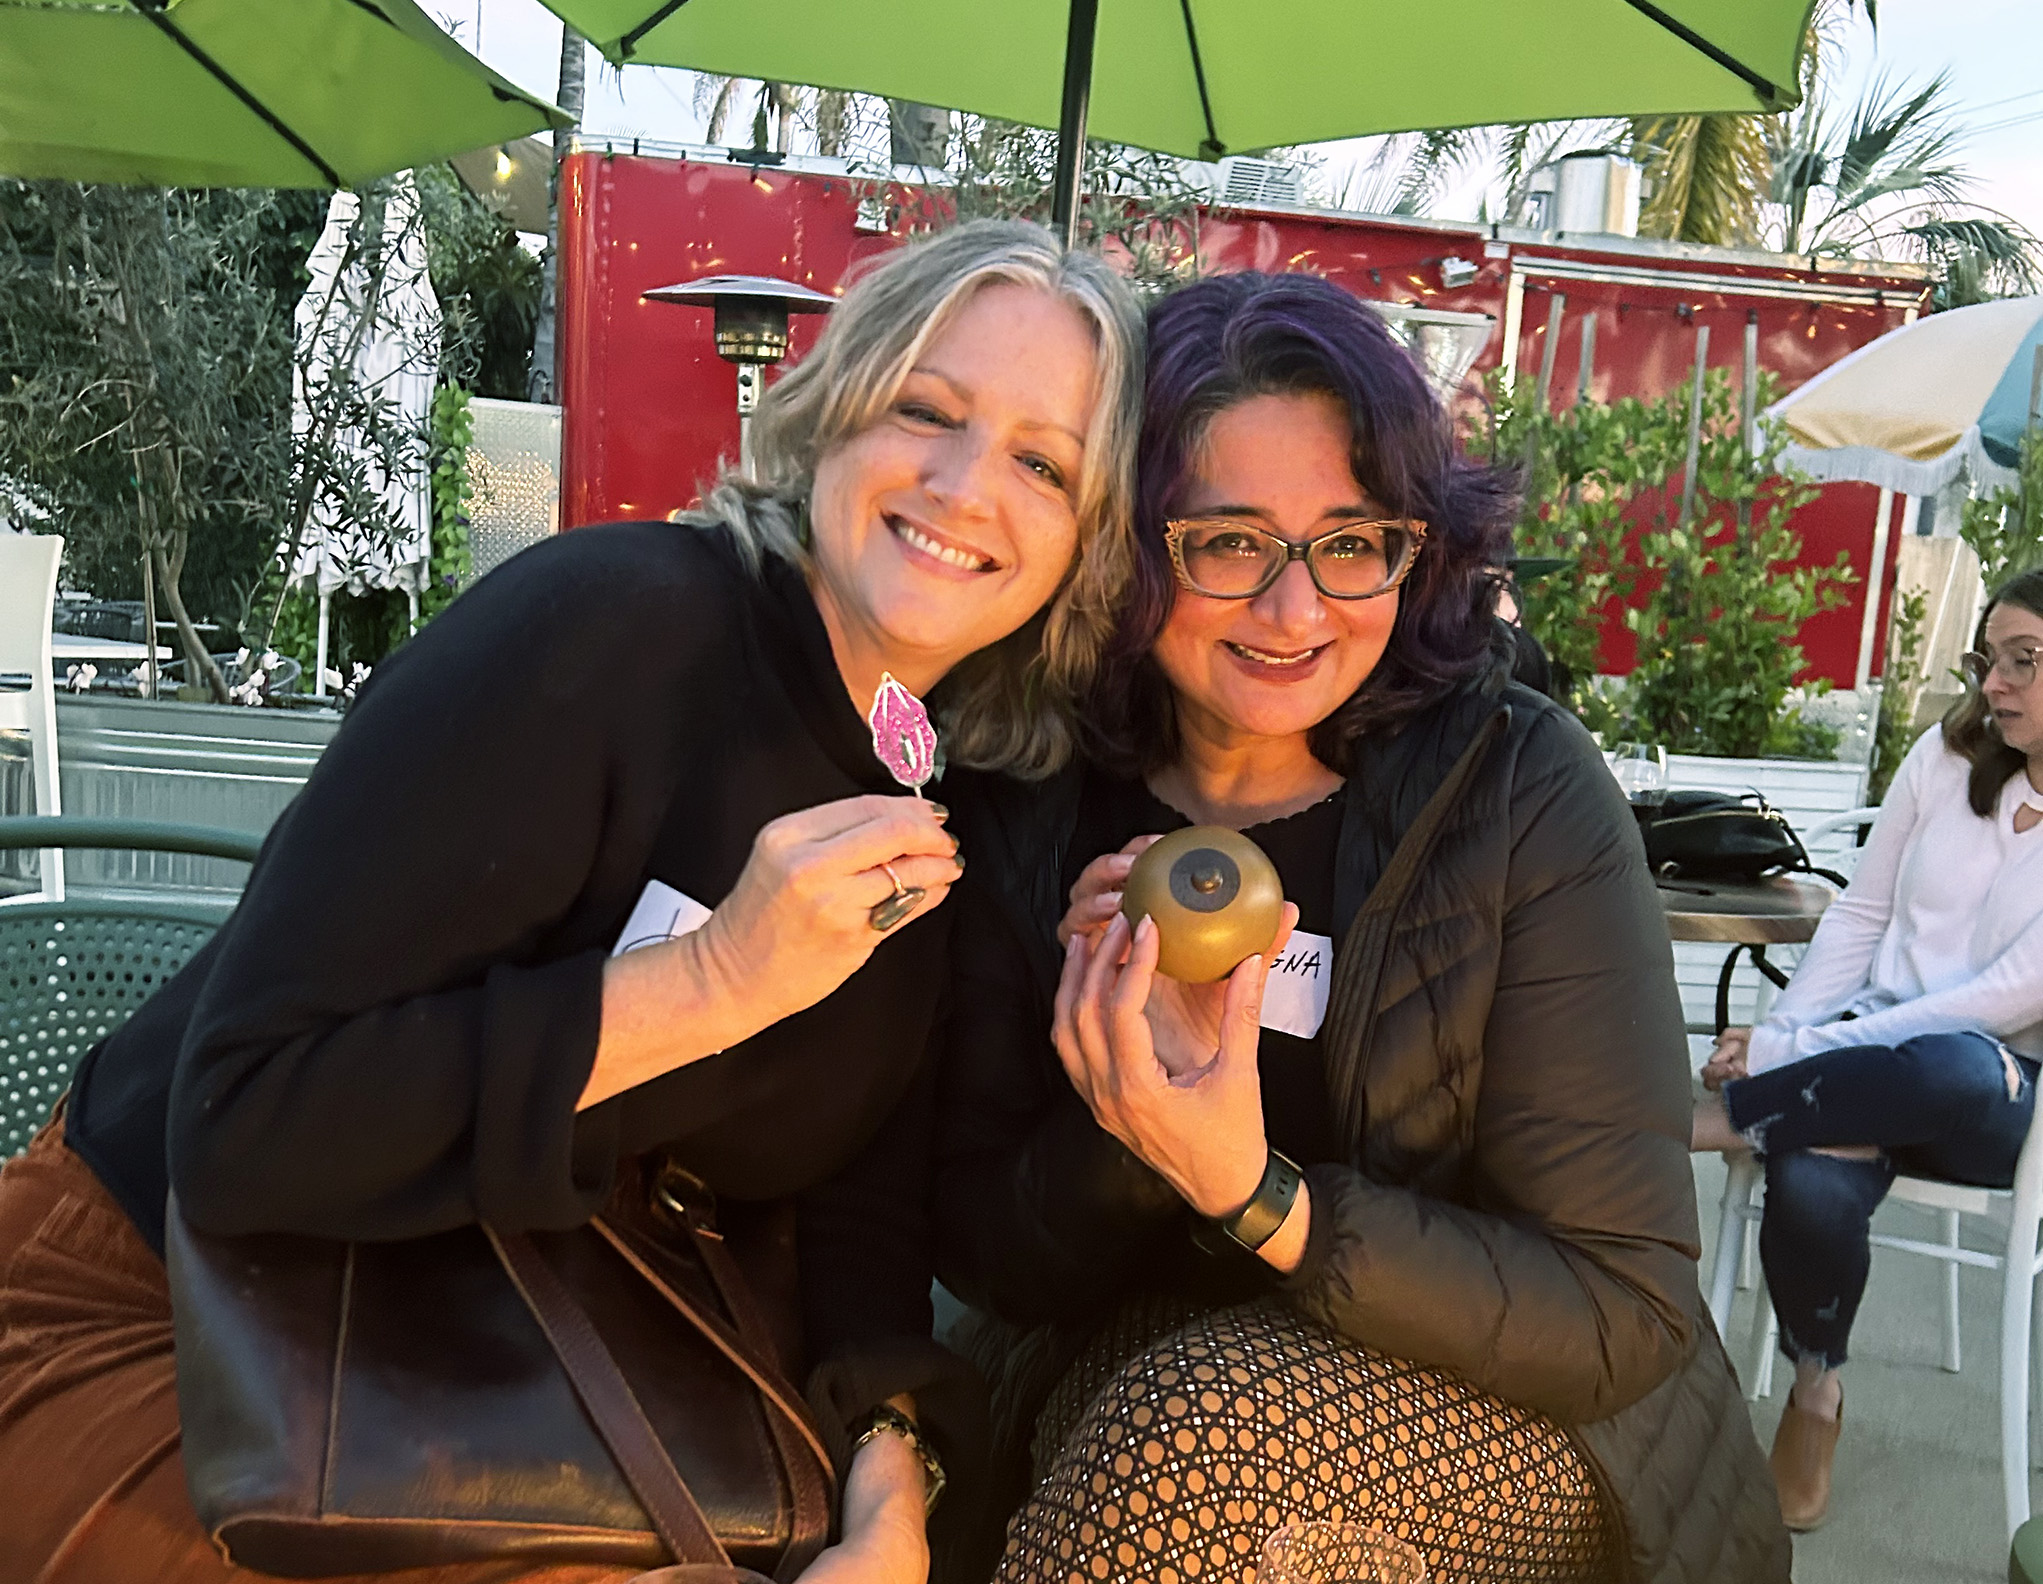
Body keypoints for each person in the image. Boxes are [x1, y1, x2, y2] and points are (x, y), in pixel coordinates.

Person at [0, 219, 1144, 1584]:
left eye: (1039, 463)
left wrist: (890, 1505)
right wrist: (714, 982)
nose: (965, 486)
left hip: (501, 1373)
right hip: (176, 1315)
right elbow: (244, 1122)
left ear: (1085, 541)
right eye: (926, 408)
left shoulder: (935, 788)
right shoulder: (616, 628)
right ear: (833, 410)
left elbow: (860, 1213)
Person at [935, 272, 1786, 1584]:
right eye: (1224, 541)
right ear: (1122, 543)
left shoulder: (1516, 793)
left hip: (1518, 1405)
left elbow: (1618, 1308)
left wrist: (1252, 1193)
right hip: (1128, 1349)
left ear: (1414, 543)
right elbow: (984, 1259)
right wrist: (1128, 1127)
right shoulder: (1034, 798)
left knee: (1184, 1467)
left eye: (1349, 541)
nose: (1295, 612)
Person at [1692, 567, 2043, 1532]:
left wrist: (1775, 1058)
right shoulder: (1942, 757)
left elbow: (1999, 1001)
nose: (1994, 685)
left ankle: (1726, 1119)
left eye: (2025, 662)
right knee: (1806, 1173)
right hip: (1849, 1069)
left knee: (1956, 1062)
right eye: (1988, 660)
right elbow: (1860, 917)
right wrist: (1792, 1036)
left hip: (1994, 1092)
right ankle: (1815, 1395)